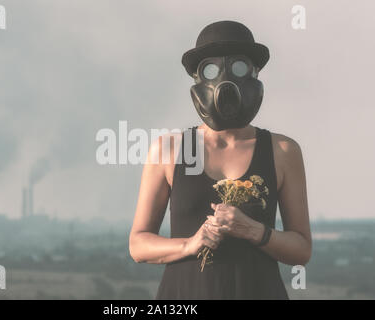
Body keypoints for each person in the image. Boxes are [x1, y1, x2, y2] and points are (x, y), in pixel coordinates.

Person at [129, 21, 311, 299]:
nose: (226, 78)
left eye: (239, 66)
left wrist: (253, 230)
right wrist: (190, 245)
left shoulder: (283, 150)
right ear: (197, 79)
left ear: (255, 73)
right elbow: (138, 244)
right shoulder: (169, 150)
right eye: (210, 68)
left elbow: (301, 249)